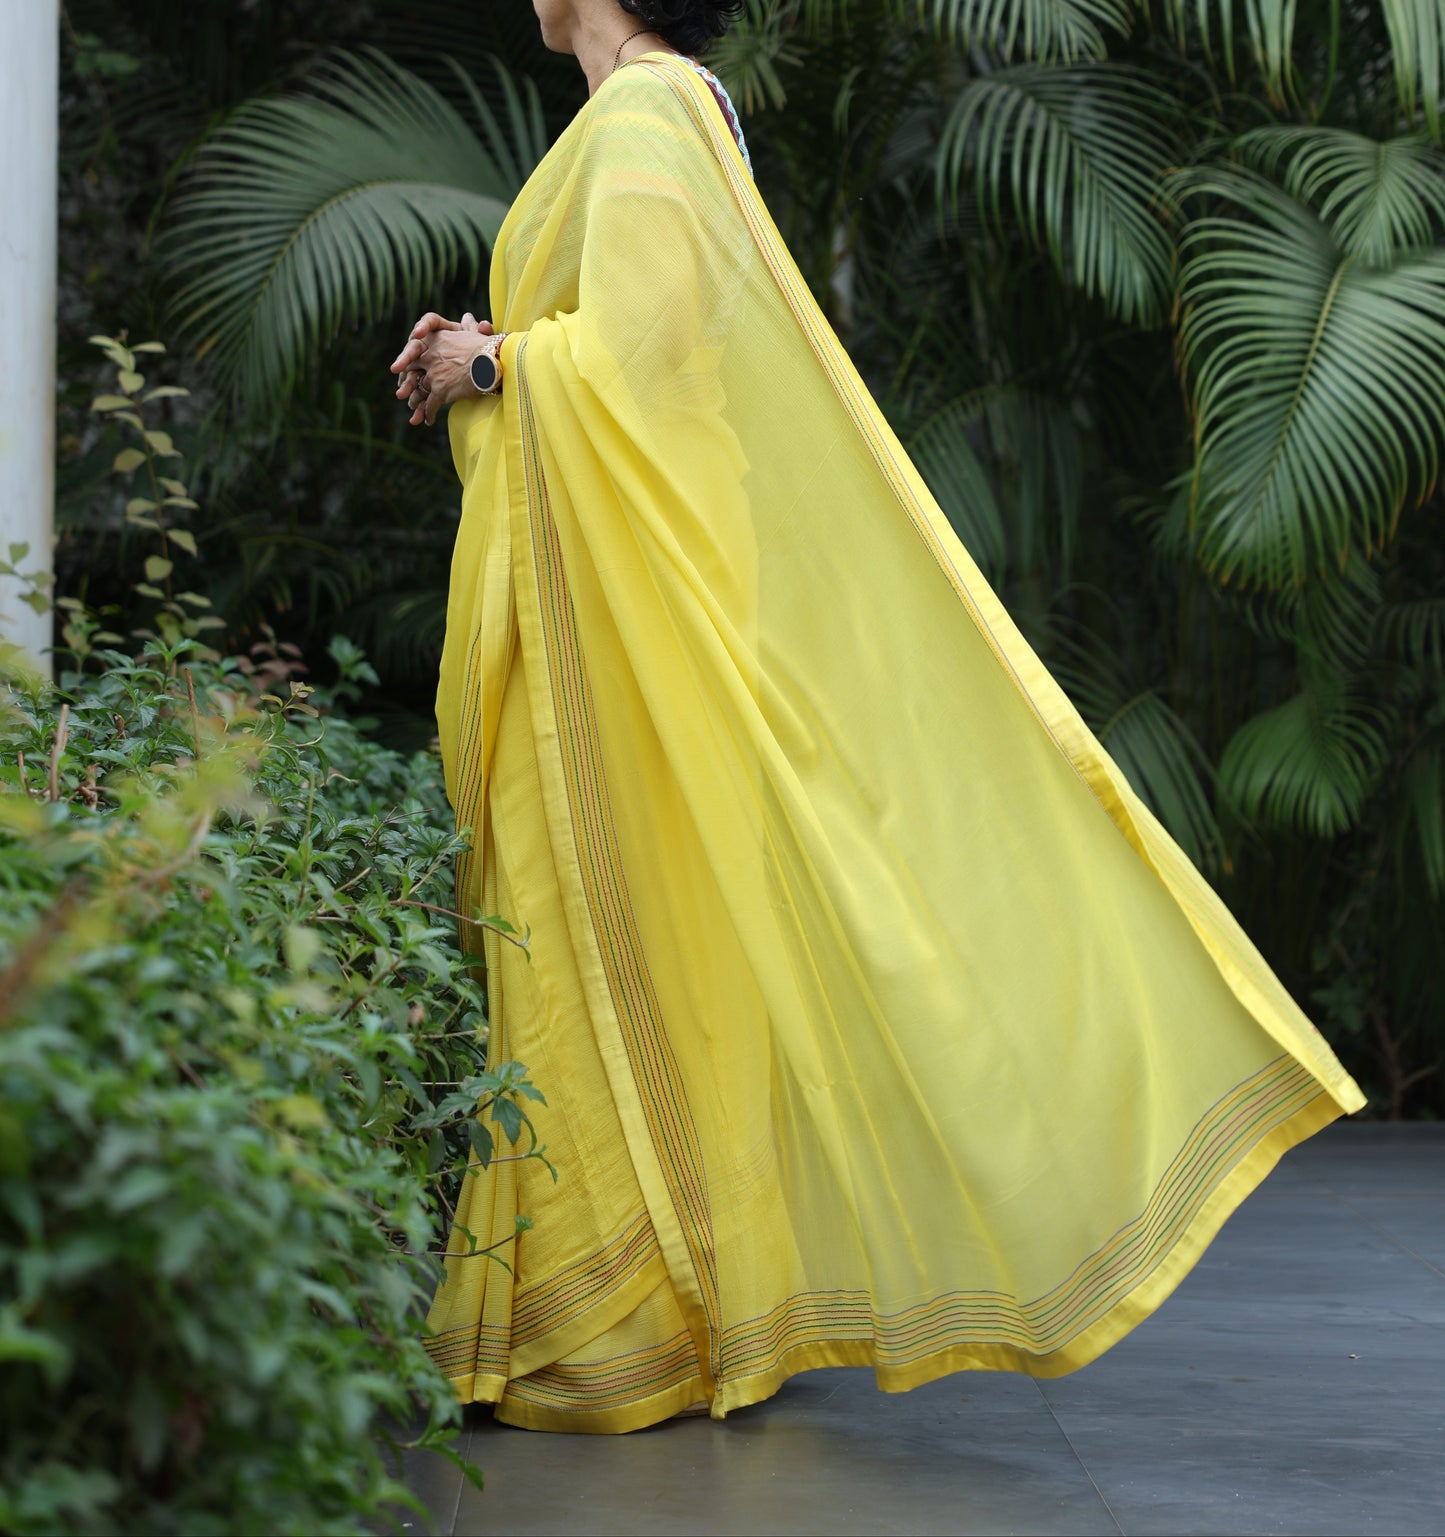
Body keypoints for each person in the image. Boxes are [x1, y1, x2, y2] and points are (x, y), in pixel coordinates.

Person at [387, 0, 1364, 1435]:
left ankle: (628, 1320)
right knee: (639, 915)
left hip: (640, 580)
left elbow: (645, 353)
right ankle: (641, 1302)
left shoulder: (651, 112)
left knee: (635, 908)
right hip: (625, 566)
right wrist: (493, 353)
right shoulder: (645, 113)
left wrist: (493, 363)